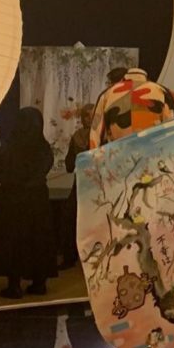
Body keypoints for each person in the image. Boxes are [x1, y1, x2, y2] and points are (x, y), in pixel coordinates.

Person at [0, 107, 58, 298]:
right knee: (39, 240)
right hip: (38, 200)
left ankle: (14, 285)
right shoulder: (43, 148)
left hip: (12, 201)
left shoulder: (9, 147)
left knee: (13, 241)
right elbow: (44, 169)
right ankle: (39, 283)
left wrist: (15, 183)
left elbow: (0, 171)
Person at [61, 104, 95, 268]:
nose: (88, 119)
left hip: (91, 184)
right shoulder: (98, 135)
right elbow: (69, 164)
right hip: (88, 184)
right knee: (69, 219)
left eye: (91, 116)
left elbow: (69, 165)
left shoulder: (81, 136)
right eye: (86, 116)